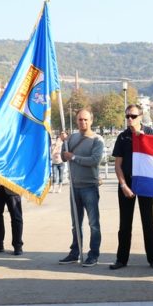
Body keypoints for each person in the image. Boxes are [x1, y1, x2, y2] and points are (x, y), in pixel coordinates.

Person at [110, 104, 153, 270]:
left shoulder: (151, 133)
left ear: (141, 116)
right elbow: (117, 164)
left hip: (145, 183)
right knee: (124, 224)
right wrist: (123, 185)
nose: (130, 120)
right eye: (127, 117)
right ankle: (121, 259)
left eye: (133, 116)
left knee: (148, 223)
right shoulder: (122, 137)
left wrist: (143, 138)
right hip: (127, 183)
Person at [58, 108, 105, 267]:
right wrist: (63, 143)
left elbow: (94, 160)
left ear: (91, 120)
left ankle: (93, 254)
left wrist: (74, 157)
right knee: (76, 223)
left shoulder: (97, 140)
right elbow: (64, 158)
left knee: (93, 224)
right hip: (74, 187)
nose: (83, 122)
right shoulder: (72, 138)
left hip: (89, 187)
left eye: (86, 119)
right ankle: (75, 252)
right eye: (80, 119)